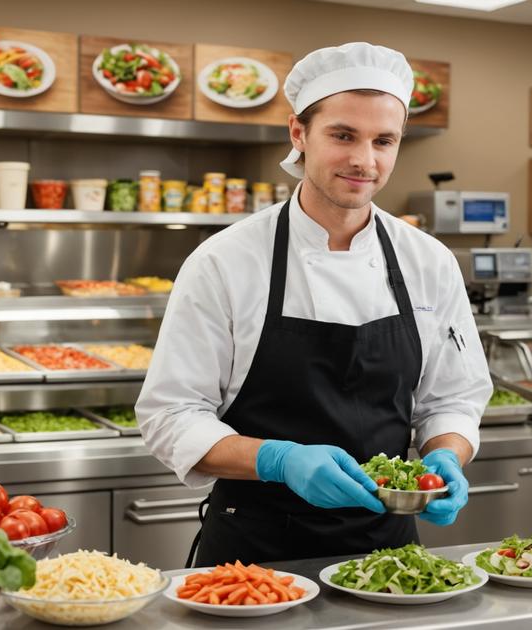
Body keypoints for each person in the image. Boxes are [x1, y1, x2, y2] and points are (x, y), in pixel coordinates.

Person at [136, 42, 492, 567]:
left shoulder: (429, 261)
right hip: (252, 561)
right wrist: (278, 460)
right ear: (298, 134)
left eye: (384, 140)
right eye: (343, 135)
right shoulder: (224, 260)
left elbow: (452, 399)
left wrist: (447, 455)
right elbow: (171, 415)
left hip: (388, 557)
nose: (364, 160)